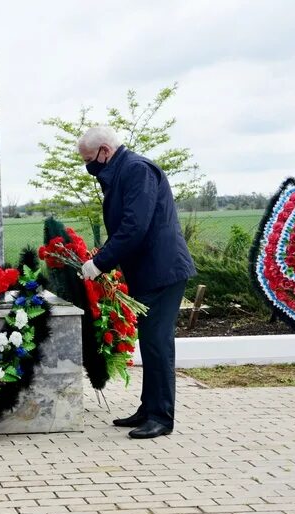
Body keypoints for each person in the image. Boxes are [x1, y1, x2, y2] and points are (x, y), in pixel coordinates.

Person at [78, 126, 196, 439]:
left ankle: (161, 417)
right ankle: (148, 408)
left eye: (90, 159)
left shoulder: (137, 171)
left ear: (105, 150)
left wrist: (99, 264)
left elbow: (134, 226)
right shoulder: (124, 172)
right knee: (150, 342)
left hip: (163, 272)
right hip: (149, 272)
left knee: (158, 344)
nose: (89, 167)